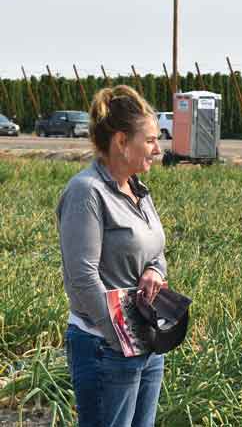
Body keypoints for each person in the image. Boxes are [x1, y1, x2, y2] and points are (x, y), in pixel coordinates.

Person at [57, 85, 167, 427]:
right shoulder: (86, 192)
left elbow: (156, 250)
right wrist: (120, 336)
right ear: (121, 141)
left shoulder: (136, 188)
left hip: (145, 342)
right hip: (105, 345)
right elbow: (83, 278)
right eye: (149, 140)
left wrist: (155, 272)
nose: (157, 149)